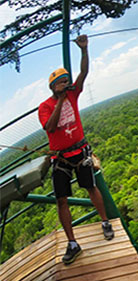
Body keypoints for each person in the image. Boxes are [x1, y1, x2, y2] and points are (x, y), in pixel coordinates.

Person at [38, 35, 114, 265]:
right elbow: (50, 127)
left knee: (91, 187)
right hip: (61, 158)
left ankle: (105, 221)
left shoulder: (73, 93)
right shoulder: (46, 106)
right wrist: (60, 100)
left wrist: (84, 50)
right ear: (53, 87)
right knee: (62, 200)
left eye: (65, 82)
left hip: (79, 152)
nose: (65, 84)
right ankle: (72, 243)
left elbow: (83, 74)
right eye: (60, 82)